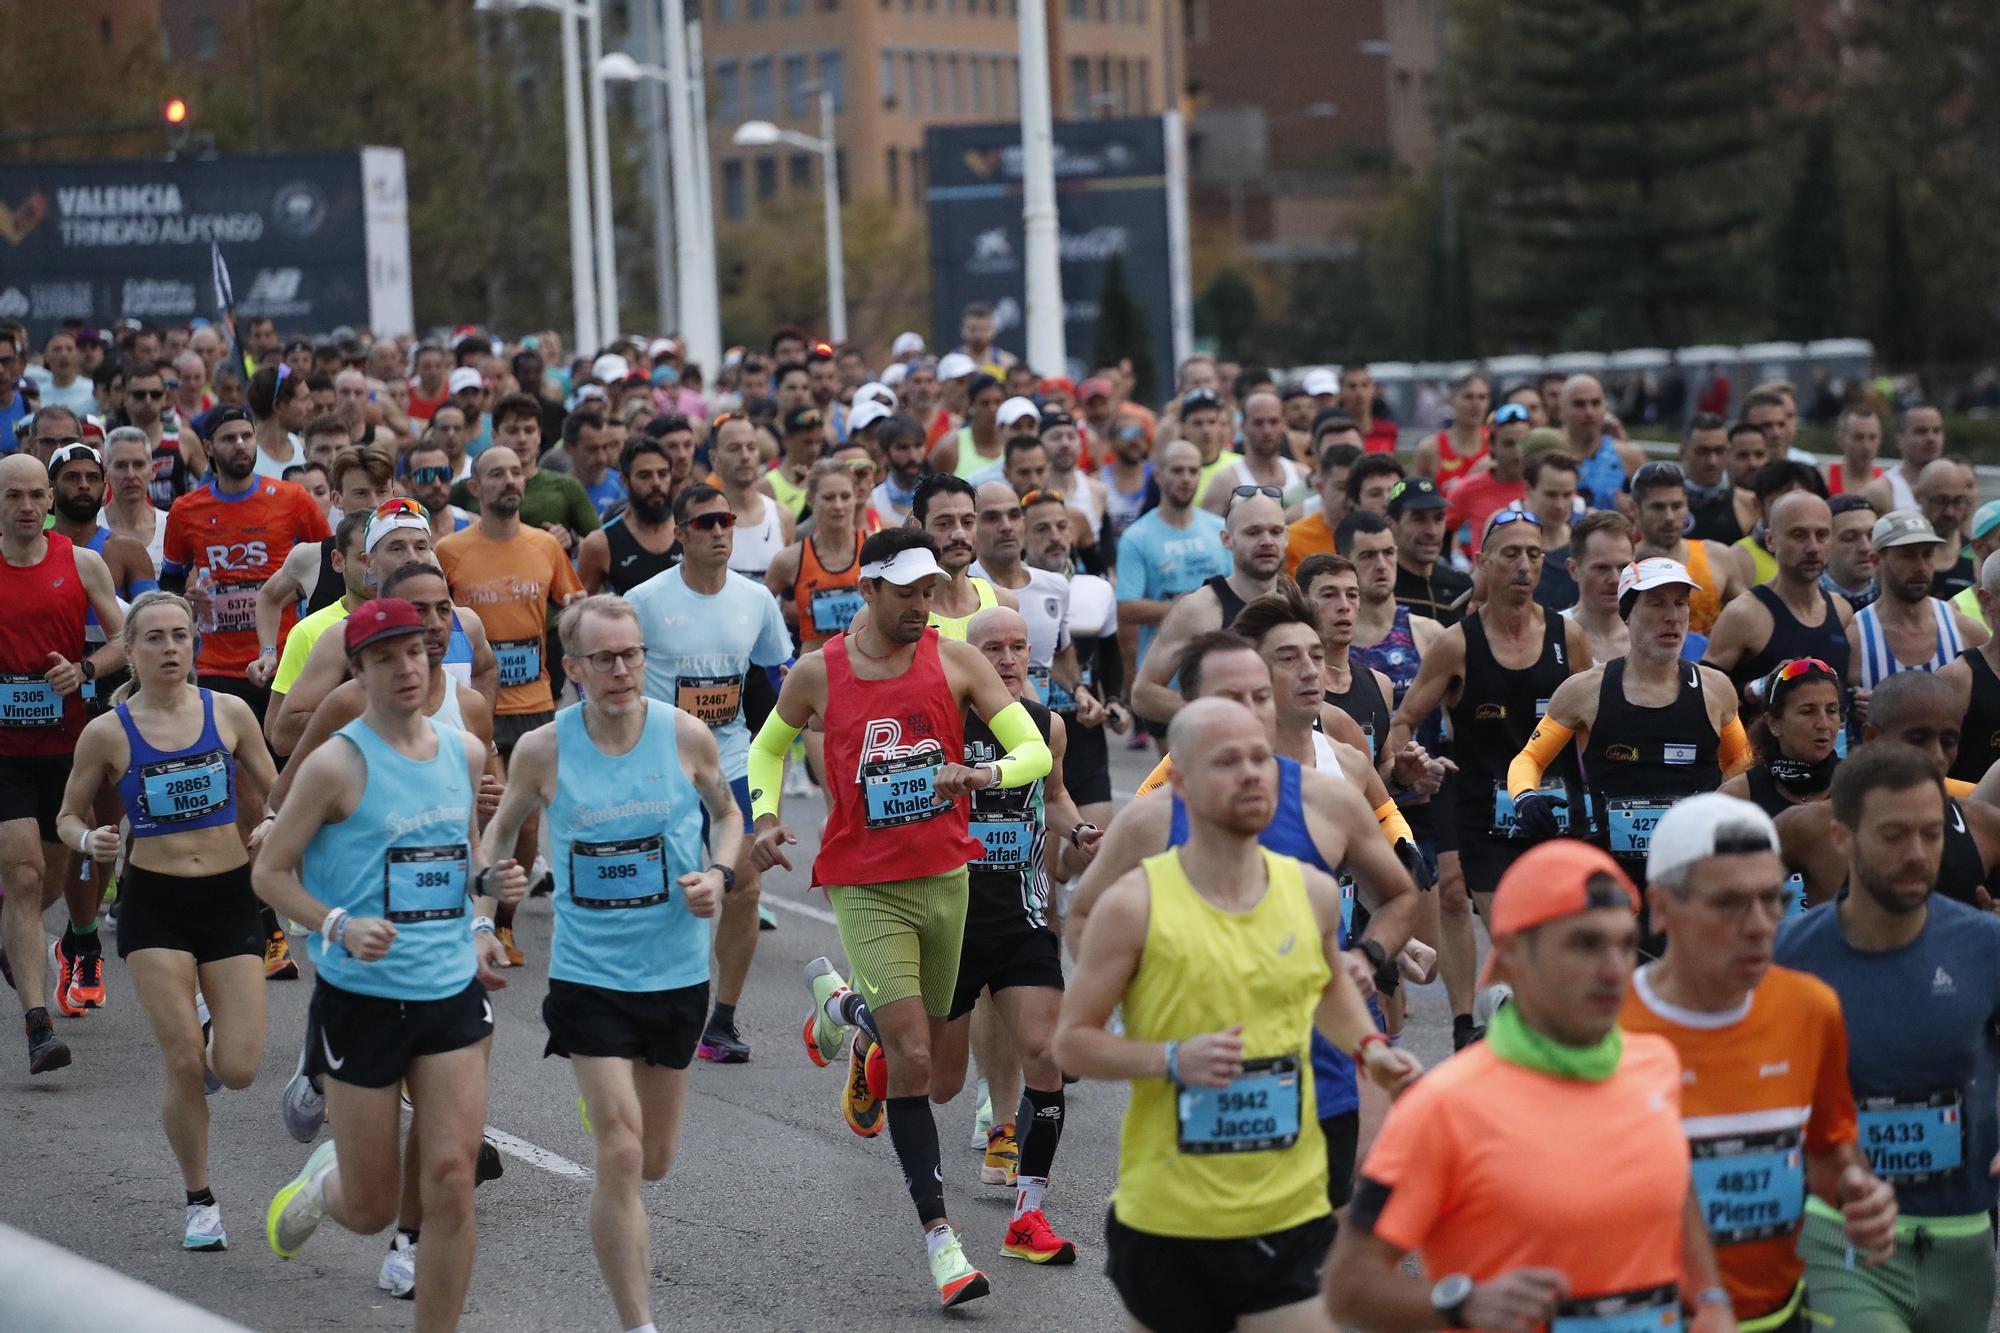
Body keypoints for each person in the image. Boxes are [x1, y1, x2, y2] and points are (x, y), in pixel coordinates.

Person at [751, 528, 1052, 1308]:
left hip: (945, 881)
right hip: (864, 883)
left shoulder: (957, 659)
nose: (925, 605)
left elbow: (1035, 753)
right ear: (870, 591)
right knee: (913, 1058)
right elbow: (767, 747)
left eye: (931, 592)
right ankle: (943, 1244)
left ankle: (843, 1011)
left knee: (943, 1079)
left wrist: (978, 770)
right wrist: (763, 815)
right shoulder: (819, 671)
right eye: (910, 593)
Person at [1057, 696, 1421, 1333]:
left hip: (1289, 1210)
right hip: (1172, 1218)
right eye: (1229, 762)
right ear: (1181, 784)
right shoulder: (1134, 906)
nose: (1254, 774)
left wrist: (1370, 1051)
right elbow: (1072, 1044)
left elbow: (1328, 984)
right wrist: (1171, 1059)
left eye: (1261, 759)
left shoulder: (1308, 892)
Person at [1323, 841, 1735, 1333]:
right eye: (1584, 944)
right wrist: (1459, 1302)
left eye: (1625, 945)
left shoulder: (1655, 1064)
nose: (1612, 969)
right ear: (1514, 953)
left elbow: (1676, 1189)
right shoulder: (1445, 1105)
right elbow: (1348, 1288)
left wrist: (1711, 1298)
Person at [256, 599, 523, 1333]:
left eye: (415, 652)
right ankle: (322, 1184)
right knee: (373, 1207)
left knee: (450, 1182)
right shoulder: (335, 764)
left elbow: (463, 856)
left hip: (449, 994)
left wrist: (482, 917)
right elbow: (271, 873)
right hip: (362, 1000)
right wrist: (337, 924)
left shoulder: (463, 751)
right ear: (358, 669)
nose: (406, 667)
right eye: (385, 657)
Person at [478, 595, 737, 1333]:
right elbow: (495, 836)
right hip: (589, 977)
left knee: (653, 1159)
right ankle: (638, 1323)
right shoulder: (544, 749)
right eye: (604, 658)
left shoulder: (685, 735)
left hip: (678, 972)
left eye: (631, 654)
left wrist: (718, 874)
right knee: (620, 1152)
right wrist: (484, 905)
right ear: (574, 668)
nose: (621, 669)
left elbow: (726, 812)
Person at [1620, 794, 1897, 1331]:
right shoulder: (1609, 1032)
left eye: (1772, 899)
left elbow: (1828, 1151)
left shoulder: (1810, 1008)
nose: (1759, 925)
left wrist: (1859, 1195)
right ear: (1660, 907)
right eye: (1728, 903)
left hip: (1781, 1316)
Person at [56, 593, 277, 1249]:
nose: (171, 648)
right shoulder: (109, 731)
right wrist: (85, 840)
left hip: (230, 896)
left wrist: (269, 820)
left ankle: (210, 1043)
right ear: (130, 650)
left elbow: (279, 786)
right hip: (154, 903)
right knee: (183, 1060)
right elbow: (69, 814)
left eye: (181, 635)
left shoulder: (229, 712)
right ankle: (200, 1201)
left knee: (236, 1067)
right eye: (154, 637)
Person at [1775, 743, 2000, 1331]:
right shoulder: (1789, 961)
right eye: (1894, 835)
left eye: (1931, 834)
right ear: (1841, 837)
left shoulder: (1983, 946)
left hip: (1964, 1241)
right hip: (1839, 1242)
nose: (1917, 855)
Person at [901, 605, 1095, 1263]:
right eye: (995, 648)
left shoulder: (1046, 726)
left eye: (1019, 647)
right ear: (967, 657)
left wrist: (1075, 830)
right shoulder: (940, 725)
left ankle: (1026, 1219)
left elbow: (1056, 794)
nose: (1009, 660)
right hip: (948, 918)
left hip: (1021, 915)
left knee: (1047, 1054)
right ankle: (867, 1027)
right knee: (942, 1083)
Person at [627, 483, 792, 1063]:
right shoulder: (644, 601)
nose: (720, 530)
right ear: (680, 533)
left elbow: (780, 676)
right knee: (663, 892)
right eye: (705, 522)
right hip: (661, 767)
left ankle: (721, 1020)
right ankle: (651, 1002)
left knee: (744, 885)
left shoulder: (755, 601)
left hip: (730, 762)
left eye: (726, 520)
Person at [1511, 558, 1750, 926]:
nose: (1672, 616)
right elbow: (1528, 759)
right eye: (1656, 604)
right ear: (1627, 614)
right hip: (1612, 878)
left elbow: (1741, 766)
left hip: (1694, 877)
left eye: (1681, 603)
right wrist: (1526, 797)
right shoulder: (1585, 692)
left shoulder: (1715, 689)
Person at [1388, 510, 1593, 918]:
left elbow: (1593, 725)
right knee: (1513, 935)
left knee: (1554, 943)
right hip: (1486, 822)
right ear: (1482, 561)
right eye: (1511, 553)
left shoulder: (1567, 636)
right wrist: (1413, 762)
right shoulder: (1456, 644)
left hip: (1556, 815)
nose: (1524, 566)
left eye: (1534, 554)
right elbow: (1403, 720)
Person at [0, 453, 128, 1069]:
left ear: (50, 501)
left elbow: (125, 636)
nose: (25, 506)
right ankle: (38, 1026)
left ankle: (16, 940)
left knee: (50, 880)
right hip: (4, 753)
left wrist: (84, 669)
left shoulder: (81, 563)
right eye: (12, 496)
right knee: (23, 876)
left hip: (65, 747)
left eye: (34, 495)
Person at [436, 446, 584, 960]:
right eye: (495, 474)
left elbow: (573, 607)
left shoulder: (545, 546)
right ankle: (461, 915)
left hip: (535, 701)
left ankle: (503, 921)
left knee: (525, 822)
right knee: (478, 814)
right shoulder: (451, 550)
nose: (508, 481)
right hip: (475, 703)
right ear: (475, 488)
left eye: (515, 472)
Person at [161, 405, 331, 722]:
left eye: (246, 436)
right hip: (215, 666)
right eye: (228, 439)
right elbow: (169, 580)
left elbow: (330, 565)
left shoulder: (292, 498)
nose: (240, 445)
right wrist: (185, 601)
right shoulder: (186, 510)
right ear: (208, 447)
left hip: (282, 659)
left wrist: (297, 596)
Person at [1782, 671, 2000, 908]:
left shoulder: (1985, 826)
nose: (1937, 756)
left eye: (1948, 742)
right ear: (1872, 738)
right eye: (1917, 739)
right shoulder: (1811, 828)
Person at [1129, 488, 1286, 725]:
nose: (1266, 541)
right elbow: (1143, 695)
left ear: (1287, 537)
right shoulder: (1199, 608)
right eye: (1253, 532)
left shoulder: (1295, 603)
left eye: (1275, 532)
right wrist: (1221, 715)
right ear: (1226, 540)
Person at [1720, 657, 1844, 916]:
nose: (1823, 724)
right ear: (1774, 723)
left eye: (1831, 710)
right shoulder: (1736, 798)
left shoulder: (1860, 789)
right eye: (1808, 711)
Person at [1702, 492, 1855, 697]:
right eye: (1799, 535)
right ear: (1771, 541)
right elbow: (1703, 695)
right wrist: (1760, 687)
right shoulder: (1744, 614)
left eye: (1821, 535)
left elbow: (1845, 687)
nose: (1813, 547)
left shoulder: (1841, 609)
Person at [1115, 440, 1229, 672]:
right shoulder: (1136, 536)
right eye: (1177, 470)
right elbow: (1126, 608)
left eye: (1193, 471)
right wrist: (1188, 608)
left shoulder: (1220, 529)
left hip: (1219, 667)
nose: (1186, 478)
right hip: (1163, 673)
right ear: (1158, 475)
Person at [1848, 510, 1986, 694]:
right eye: (1908, 555)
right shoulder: (1856, 639)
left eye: (1927, 555)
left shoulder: (1966, 631)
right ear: (1875, 560)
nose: (1921, 567)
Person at [1629, 462, 1753, 640]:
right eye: (1658, 507)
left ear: (1687, 506)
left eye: (1677, 506)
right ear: (1635, 509)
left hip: (1706, 665)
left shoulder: (1717, 556)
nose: (1669, 517)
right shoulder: (1622, 563)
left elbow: (1751, 620)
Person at [767, 458, 865, 652]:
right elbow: (757, 618)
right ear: (811, 500)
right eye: (829, 498)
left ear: (855, 497)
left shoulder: (875, 551)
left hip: (867, 674)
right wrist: (781, 662)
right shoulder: (789, 560)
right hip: (814, 676)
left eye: (845, 496)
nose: (838, 505)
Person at [905, 473, 1018, 639]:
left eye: (967, 523)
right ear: (916, 527)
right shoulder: (892, 610)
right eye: (944, 524)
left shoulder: (1003, 603)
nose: (959, 534)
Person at [576, 433, 680, 595]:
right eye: (644, 476)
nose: (656, 483)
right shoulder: (601, 544)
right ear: (624, 480)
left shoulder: (693, 529)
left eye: (663, 474)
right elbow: (579, 610)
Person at [710, 414, 793, 583]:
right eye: (734, 448)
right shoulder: (703, 521)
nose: (745, 456)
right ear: (714, 458)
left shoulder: (782, 516)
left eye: (752, 447)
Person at [1385, 477, 1472, 625]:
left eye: (1438, 519)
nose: (1432, 531)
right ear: (1391, 524)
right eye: (1419, 519)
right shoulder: (1382, 590)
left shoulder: (1461, 587)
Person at [1441, 400, 1527, 549]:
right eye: (1508, 444)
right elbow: (1442, 530)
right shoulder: (1467, 489)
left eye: (1523, 442)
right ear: (1492, 445)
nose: (1517, 452)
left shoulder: (1543, 486)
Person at [1200, 391, 1300, 517]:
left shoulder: (1301, 475)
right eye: (1258, 423)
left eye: (1273, 422)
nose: (1267, 431)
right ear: (1243, 426)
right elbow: (1208, 531)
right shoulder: (1225, 482)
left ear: (1284, 424)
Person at [1561, 373, 1648, 509]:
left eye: (1596, 403)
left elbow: (1651, 508)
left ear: (1605, 407)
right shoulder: (1550, 454)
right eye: (1579, 404)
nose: (1589, 412)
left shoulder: (1629, 455)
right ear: (1562, 410)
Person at [1412, 373, 1491, 490]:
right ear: (1450, 401)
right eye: (1468, 397)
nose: (1476, 404)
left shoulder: (1497, 443)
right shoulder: (1430, 449)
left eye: (1482, 397)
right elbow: (1410, 495)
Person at [1913, 457, 1977, 599]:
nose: (1950, 511)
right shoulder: (1903, 554)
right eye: (1940, 501)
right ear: (1918, 496)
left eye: (1958, 501)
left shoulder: (1975, 555)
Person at [1862, 404, 1942, 516]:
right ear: (1900, 439)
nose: (1931, 438)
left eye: (1936, 431)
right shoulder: (1881, 491)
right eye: (1921, 431)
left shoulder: (1955, 488)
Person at [867, 412, 929, 526]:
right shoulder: (872, 503)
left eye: (918, 446)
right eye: (902, 447)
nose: (912, 456)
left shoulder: (939, 499)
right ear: (884, 451)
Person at [1825, 406, 1884, 498]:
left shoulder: (1888, 485)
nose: (1866, 446)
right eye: (1858, 437)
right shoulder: (1824, 480)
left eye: (1872, 437)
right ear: (1840, 439)